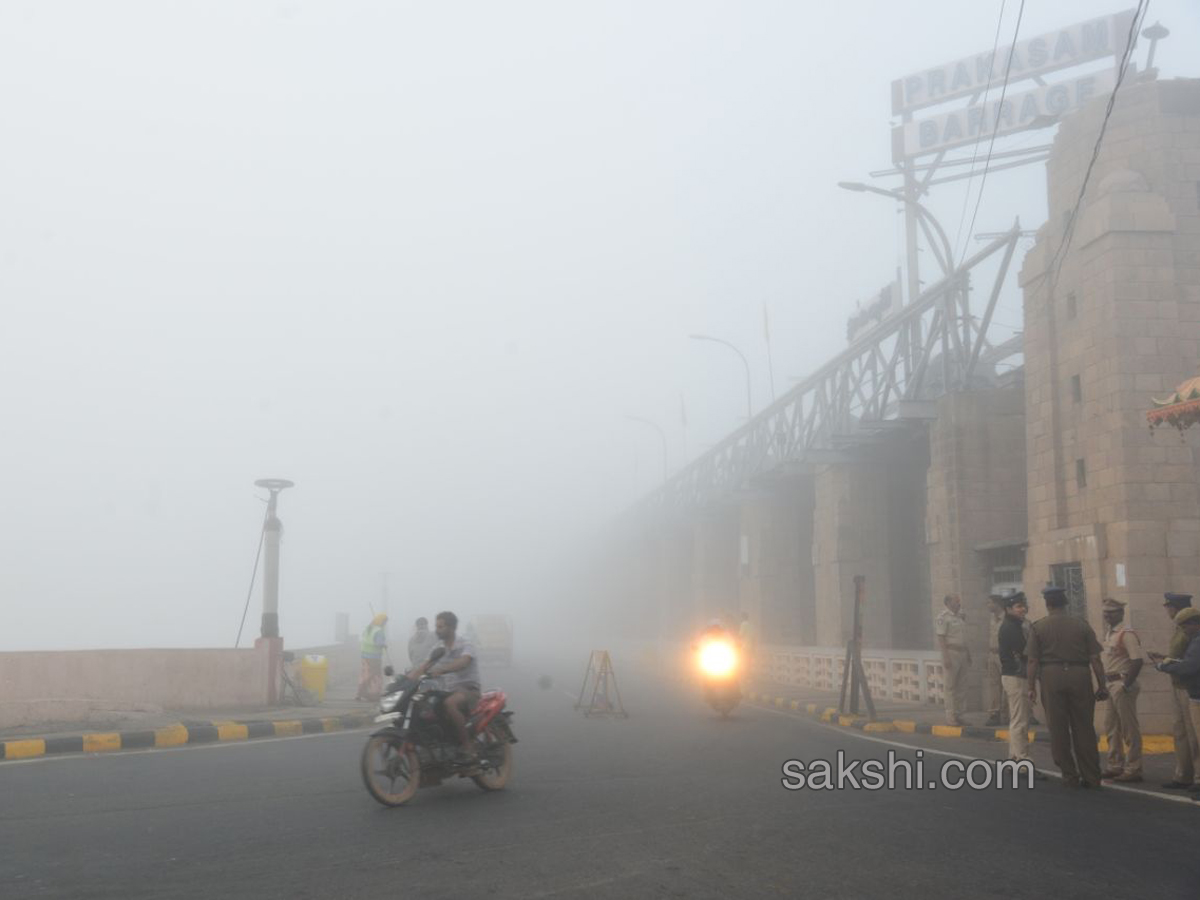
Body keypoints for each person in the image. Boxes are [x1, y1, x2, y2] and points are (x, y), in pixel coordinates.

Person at [1026, 586, 1109, 788]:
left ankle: (1069, 775)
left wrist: (1031, 687)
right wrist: (1102, 685)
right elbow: (1095, 659)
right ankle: (1091, 776)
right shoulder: (1082, 625)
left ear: (1048, 604)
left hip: (1051, 677)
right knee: (1084, 728)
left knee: (1058, 728)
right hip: (1080, 675)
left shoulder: (1038, 627)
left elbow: (1032, 661)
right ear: (1066, 603)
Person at [409, 611, 482, 765]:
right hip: (448, 690)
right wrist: (405, 681)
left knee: (450, 704)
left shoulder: (465, 643)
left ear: (452, 627)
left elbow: (463, 662)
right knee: (423, 705)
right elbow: (425, 666)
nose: (437, 629)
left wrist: (443, 669)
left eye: (441, 626)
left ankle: (468, 747)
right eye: (436, 626)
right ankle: (435, 747)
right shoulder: (439, 647)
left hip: (469, 689)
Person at [1151, 592, 1200, 791]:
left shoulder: (1188, 632)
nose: (1167, 611)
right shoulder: (1181, 630)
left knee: (1193, 733)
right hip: (1179, 682)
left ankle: (1197, 776)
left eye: (1169, 607)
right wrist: (1165, 659)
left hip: (1187, 685)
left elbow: (1191, 662)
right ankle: (1184, 774)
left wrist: (1165, 666)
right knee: (1181, 732)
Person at [1099, 598, 1144, 782]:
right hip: (1111, 684)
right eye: (1105, 612)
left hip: (1122, 683)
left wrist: (1126, 684)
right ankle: (1115, 765)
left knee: (1128, 728)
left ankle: (1134, 768)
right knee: (1111, 727)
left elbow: (1137, 660)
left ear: (1121, 613)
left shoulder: (1126, 634)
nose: (1107, 615)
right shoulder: (1110, 633)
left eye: (1112, 612)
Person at [998, 592, 1033, 764]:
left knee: (1017, 719)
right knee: (1020, 721)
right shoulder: (1011, 627)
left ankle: (1014, 757)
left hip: (1014, 675)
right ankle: (1022, 759)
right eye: (1019, 607)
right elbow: (1024, 651)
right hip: (1016, 676)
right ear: (1008, 609)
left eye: (1023, 606)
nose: (1023, 609)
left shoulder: (1015, 625)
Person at [935, 594, 970, 726]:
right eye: (956, 600)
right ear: (949, 602)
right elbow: (941, 638)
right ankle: (950, 716)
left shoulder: (961, 616)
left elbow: (964, 637)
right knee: (950, 686)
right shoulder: (943, 617)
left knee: (962, 685)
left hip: (962, 653)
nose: (959, 602)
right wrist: (945, 657)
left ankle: (960, 714)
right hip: (951, 652)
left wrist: (968, 654)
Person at [356, 613, 388, 702]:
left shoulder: (368, 628)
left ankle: (360, 693)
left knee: (365, 674)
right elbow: (378, 643)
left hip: (364, 656)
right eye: (385, 622)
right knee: (375, 676)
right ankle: (374, 695)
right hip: (374, 657)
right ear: (382, 622)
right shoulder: (379, 631)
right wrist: (384, 645)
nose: (385, 624)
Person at [985, 594, 1006, 727]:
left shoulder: (1007, 618)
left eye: (989, 603)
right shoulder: (992, 618)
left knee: (1006, 685)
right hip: (992, 654)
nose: (988, 605)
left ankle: (1006, 714)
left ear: (997, 604)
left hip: (1003, 655)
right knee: (993, 685)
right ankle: (994, 713)